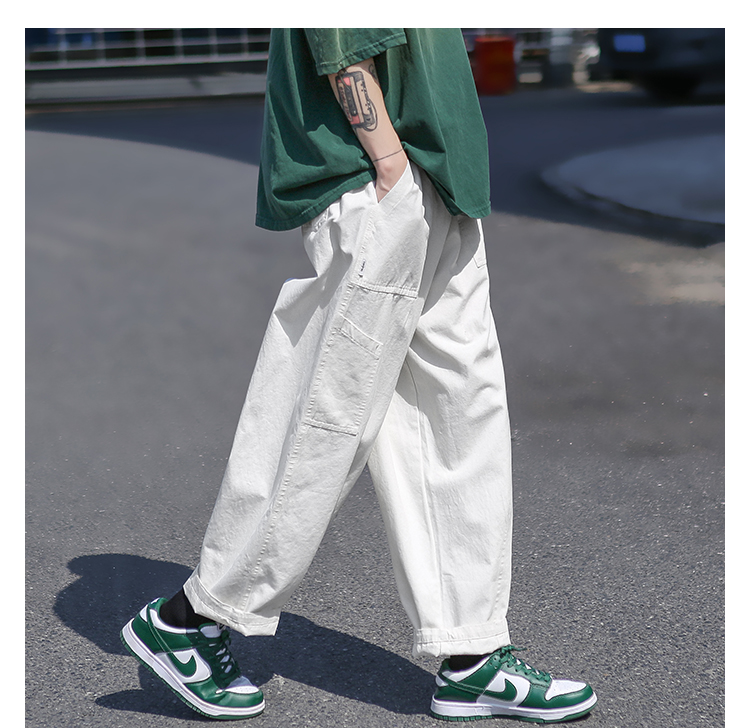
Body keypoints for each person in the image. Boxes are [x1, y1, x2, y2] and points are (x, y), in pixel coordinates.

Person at [120, 28, 597, 723]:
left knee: (458, 418)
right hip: (381, 179)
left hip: (439, 184)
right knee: (326, 418)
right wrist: (391, 165)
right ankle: (192, 618)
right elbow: (341, 35)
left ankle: (472, 654)